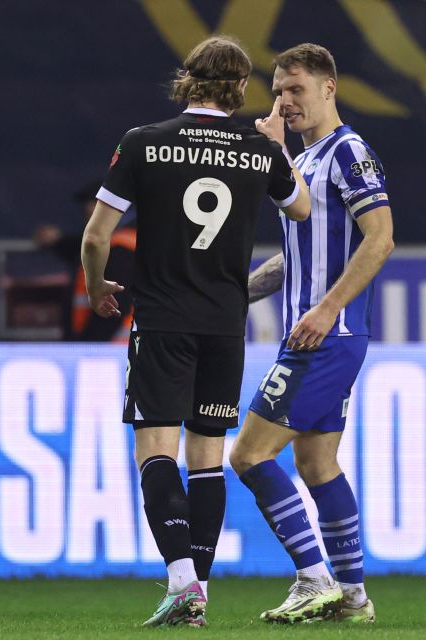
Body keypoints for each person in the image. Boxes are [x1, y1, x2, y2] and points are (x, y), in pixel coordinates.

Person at [80, 35, 310, 627]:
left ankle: (182, 582)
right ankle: (197, 592)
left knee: (155, 449)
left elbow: (96, 235)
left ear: (187, 79)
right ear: (241, 87)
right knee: (206, 456)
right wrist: (277, 148)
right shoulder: (260, 149)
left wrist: (98, 285)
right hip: (223, 324)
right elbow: (303, 208)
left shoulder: (143, 142)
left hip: (161, 320)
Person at [228, 43, 394, 624]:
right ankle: (352, 597)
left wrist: (325, 310)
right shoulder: (306, 161)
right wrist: (235, 292)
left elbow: (380, 238)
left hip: (325, 335)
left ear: (330, 87)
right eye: (277, 90)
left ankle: (312, 578)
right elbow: (297, 258)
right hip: (318, 332)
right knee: (318, 465)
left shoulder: (348, 152)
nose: (284, 101)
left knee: (248, 456)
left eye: (296, 89)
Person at [34, 180, 136, 342]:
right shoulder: (106, 244)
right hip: (100, 350)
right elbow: (82, 248)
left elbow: (113, 310)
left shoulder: (121, 249)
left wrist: (87, 347)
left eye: (97, 202)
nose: (89, 208)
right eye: (89, 203)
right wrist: (58, 241)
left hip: (110, 353)